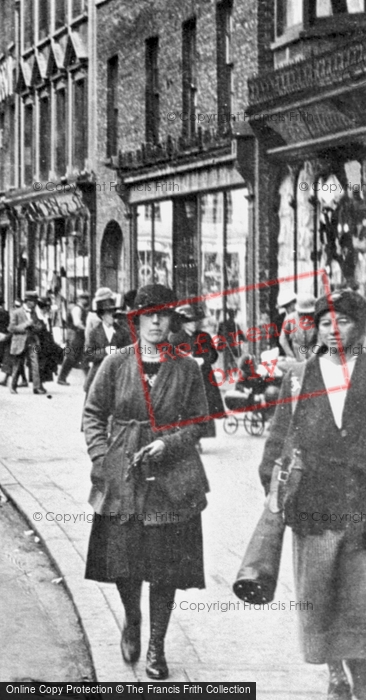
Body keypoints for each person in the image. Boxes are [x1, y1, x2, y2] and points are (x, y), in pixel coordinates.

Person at [258, 289, 366, 700]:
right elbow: (279, 436)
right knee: (321, 591)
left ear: (359, 326)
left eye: (342, 321)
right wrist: (272, 487)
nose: (333, 329)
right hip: (315, 501)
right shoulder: (299, 375)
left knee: (365, 594)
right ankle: (336, 672)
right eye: (325, 322)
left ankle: (358, 663)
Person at [82, 284, 210, 679]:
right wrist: (103, 458)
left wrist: (167, 444)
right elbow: (93, 414)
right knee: (123, 561)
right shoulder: (116, 363)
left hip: (171, 479)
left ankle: (156, 646)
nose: (155, 322)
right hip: (123, 475)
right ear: (134, 320)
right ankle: (132, 618)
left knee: (165, 567)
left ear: (172, 320)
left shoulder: (187, 367)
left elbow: (198, 423)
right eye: (147, 315)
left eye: (163, 314)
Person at [169, 304, 224, 441]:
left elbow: (214, 355)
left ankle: (199, 436)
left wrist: (204, 360)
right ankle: (186, 436)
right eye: (189, 321)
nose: (193, 324)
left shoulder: (204, 337)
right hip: (183, 378)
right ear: (182, 323)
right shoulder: (175, 338)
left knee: (202, 407)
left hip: (203, 377)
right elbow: (170, 358)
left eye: (194, 321)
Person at [83, 288, 131, 396]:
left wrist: (118, 352)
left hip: (118, 375)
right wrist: (105, 351)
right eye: (109, 312)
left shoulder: (122, 331)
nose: (112, 316)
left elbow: (129, 352)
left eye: (113, 312)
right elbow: (88, 355)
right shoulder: (94, 332)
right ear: (102, 315)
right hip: (98, 374)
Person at [8, 291, 47, 395]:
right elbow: (11, 328)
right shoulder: (16, 312)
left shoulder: (34, 313)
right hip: (20, 342)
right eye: (33, 301)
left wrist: (38, 327)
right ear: (27, 301)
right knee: (17, 364)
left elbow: (39, 326)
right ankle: (13, 386)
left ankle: (36, 387)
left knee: (35, 364)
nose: (34, 304)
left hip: (33, 341)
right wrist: (26, 324)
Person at [57, 291, 90, 386]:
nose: (87, 301)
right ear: (80, 299)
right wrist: (86, 329)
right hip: (75, 335)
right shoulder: (77, 309)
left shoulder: (80, 308)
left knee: (83, 356)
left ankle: (89, 379)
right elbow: (77, 323)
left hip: (76, 335)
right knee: (71, 357)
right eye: (85, 299)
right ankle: (61, 378)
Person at [279, 293, 317, 361]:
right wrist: (290, 355)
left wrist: (314, 356)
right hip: (297, 356)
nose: (306, 316)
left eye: (309, 314)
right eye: (302, 314)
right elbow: (283, 339)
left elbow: (321, 339)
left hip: (314, 355)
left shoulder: (317, 319)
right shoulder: (290, 318)